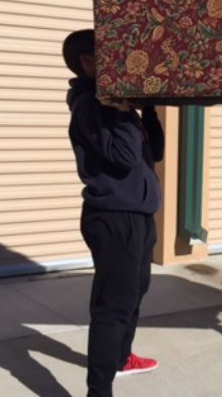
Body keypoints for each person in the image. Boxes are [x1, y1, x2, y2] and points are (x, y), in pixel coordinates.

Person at [63, 29, 165, 397]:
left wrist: (148, 107)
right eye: (108, 56)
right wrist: (123, 113)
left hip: (138, 216)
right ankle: (98, 390)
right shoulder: (91, 106)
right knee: (113, 306)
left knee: (135, 292)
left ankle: (121, 358)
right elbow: (122, 158)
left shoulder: (116, 103)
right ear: (88, 62)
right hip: (112, 217)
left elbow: (153, 154)